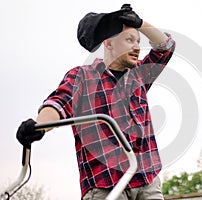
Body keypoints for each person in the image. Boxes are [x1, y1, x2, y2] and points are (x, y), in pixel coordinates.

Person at [16, 4, 175, 200]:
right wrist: (38, 126)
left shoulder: (139, 76)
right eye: (129, 40)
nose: (136, 47)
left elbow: (165, 47)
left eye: (138, 41)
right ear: (108, 43)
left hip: (146, 180)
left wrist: (140, 23)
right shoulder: (83, 76)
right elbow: (58, 104)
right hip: (105, 184)